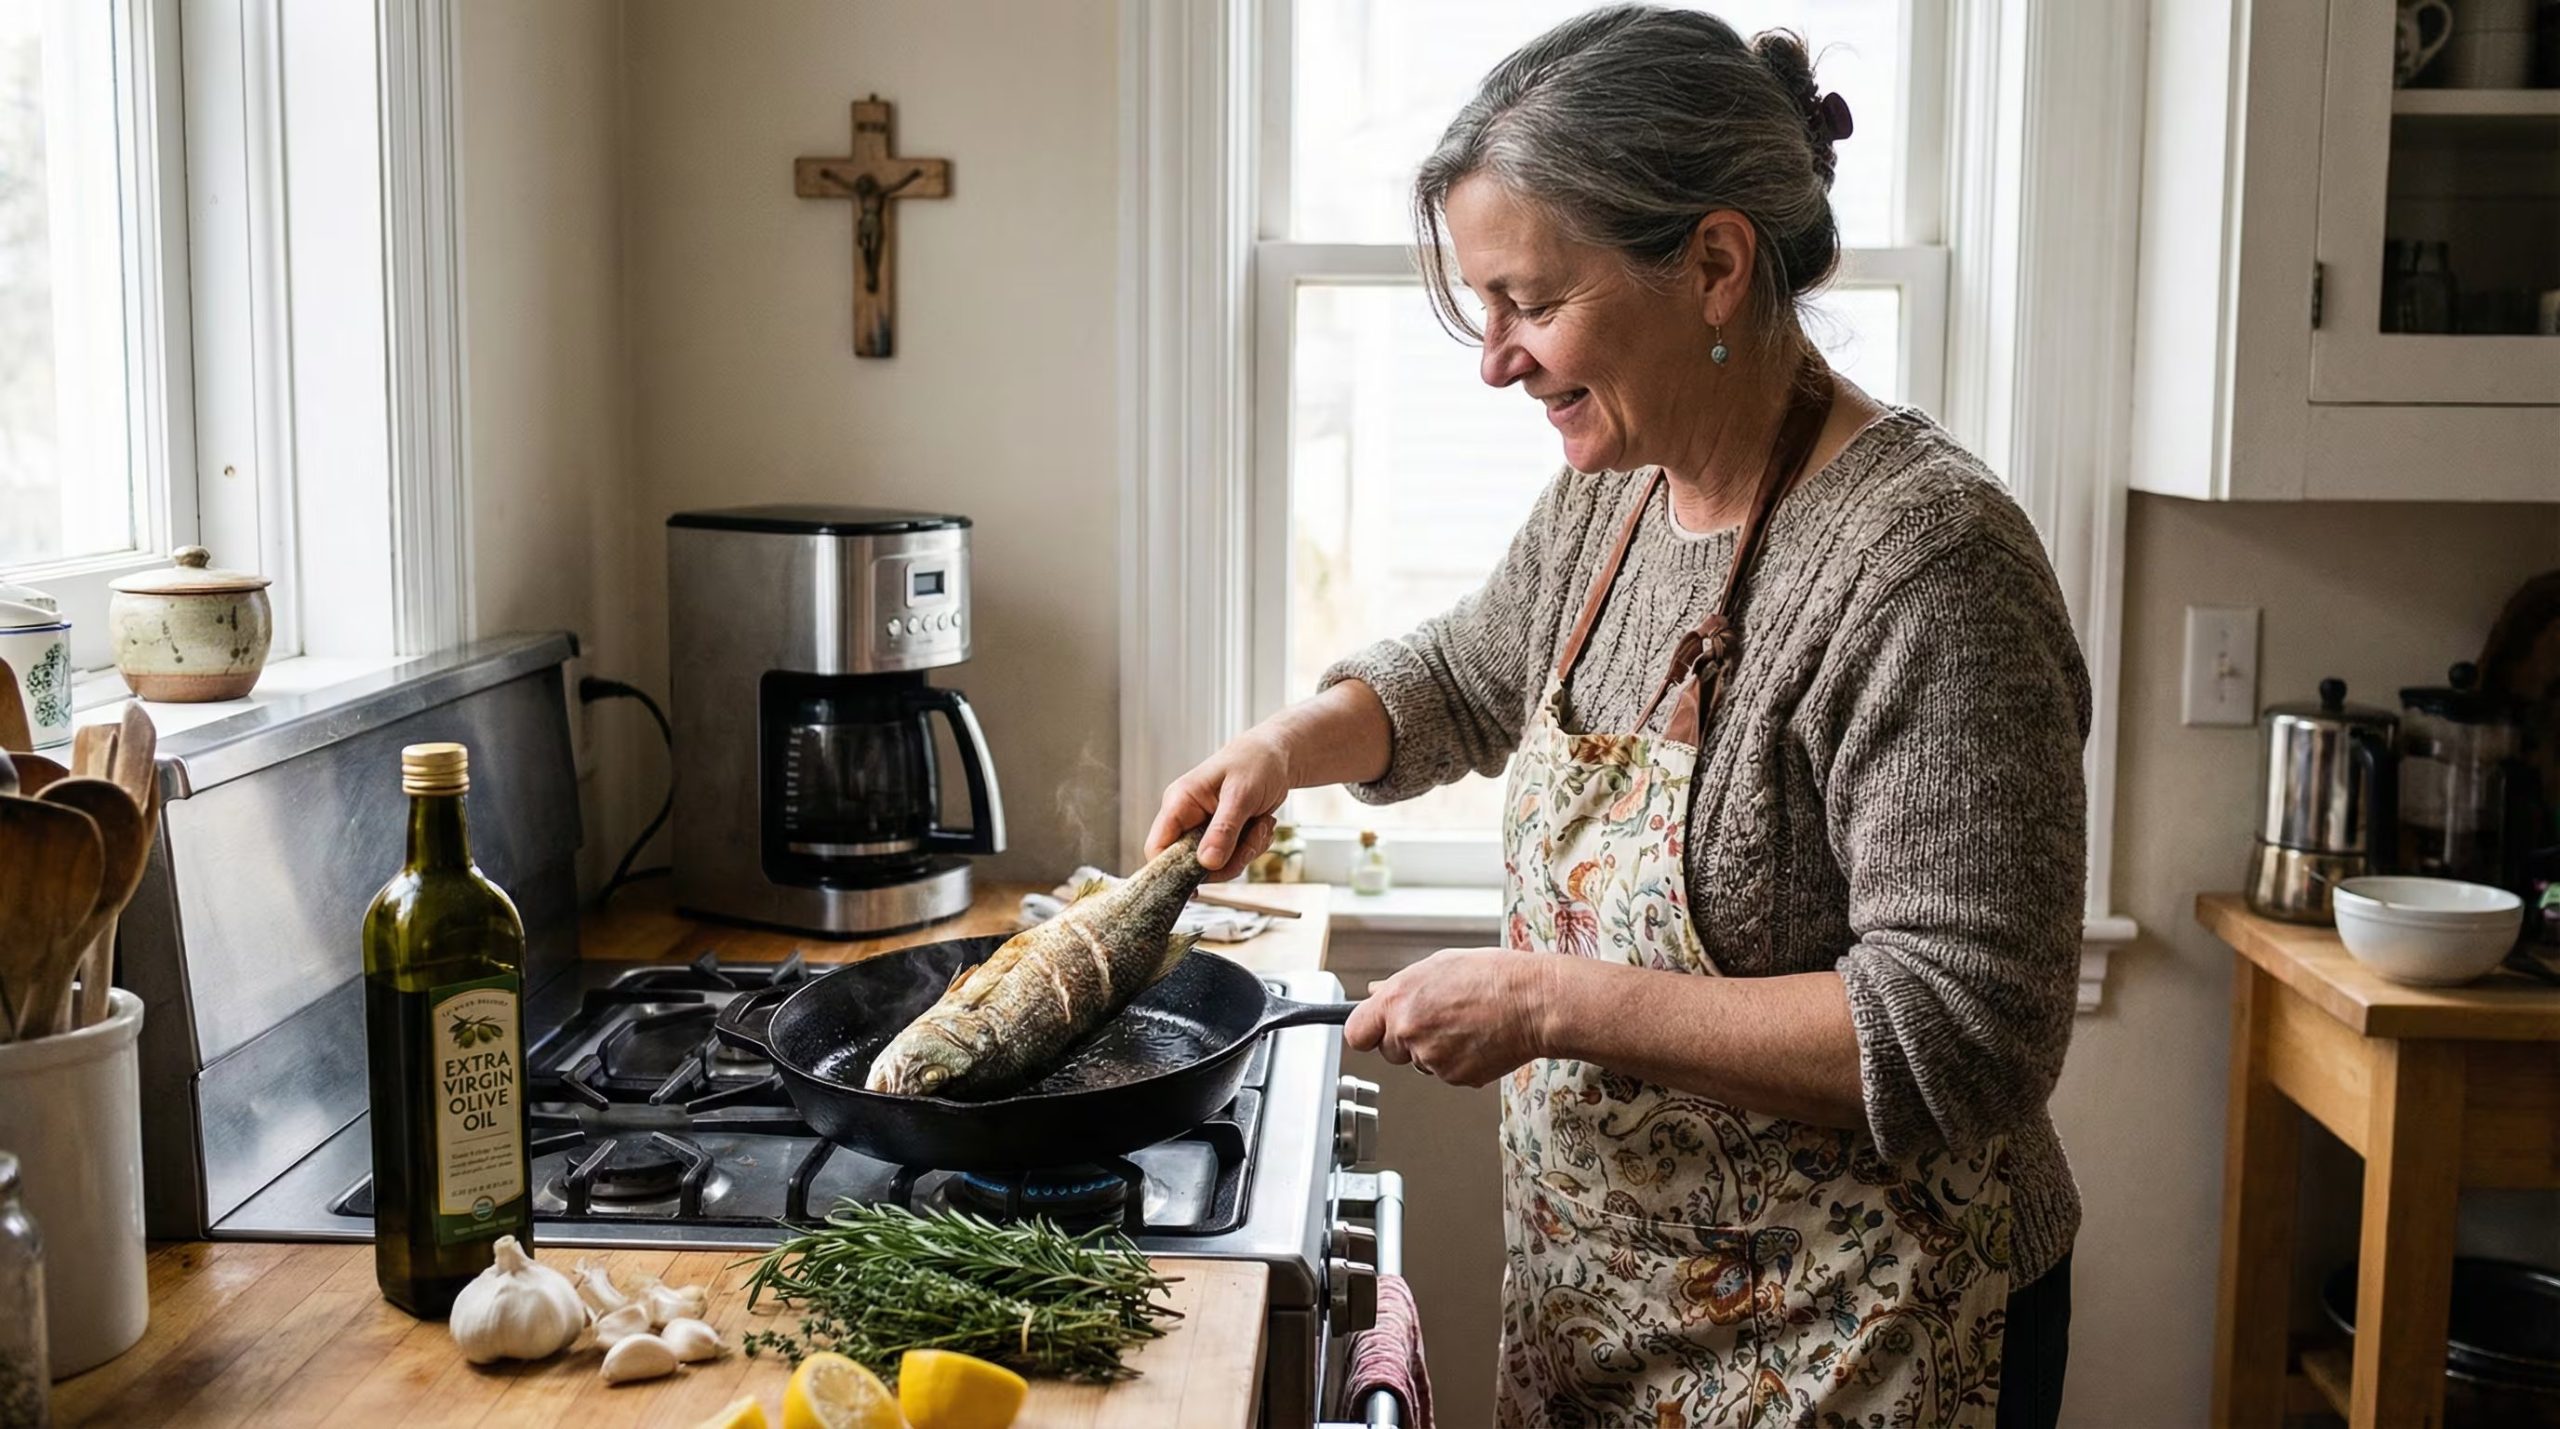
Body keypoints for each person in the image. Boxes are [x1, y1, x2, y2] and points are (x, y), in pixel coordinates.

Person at [1146, 8, 2085, 1426]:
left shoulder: (1929, 562)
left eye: (1531, 300)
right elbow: (1466, 675)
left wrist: (1545, 999)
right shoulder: (1618, 488)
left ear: (1713, 264)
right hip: (1616, 1317)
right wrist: (1287, 746)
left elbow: (1962, 1030)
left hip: (1867, 1336)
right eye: (1484, 308)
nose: (1497, 359)